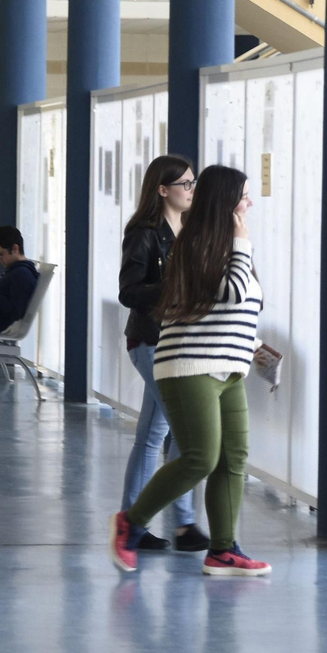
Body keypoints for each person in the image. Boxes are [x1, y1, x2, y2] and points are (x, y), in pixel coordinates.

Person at [110, 165, 271, 577]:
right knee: (199, 457)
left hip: (229, 366)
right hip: (189, 365)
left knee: (232, 459)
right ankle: (131, 522)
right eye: (244, 196)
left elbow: (237, 307)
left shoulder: (228, 246)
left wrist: (254, 347)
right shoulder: (196, 244)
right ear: (225, 202)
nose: (250, 204)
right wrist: (241, 244)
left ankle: (223, 550)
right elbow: (232, 291)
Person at [116, 155, 207, 553]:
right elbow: (129, 291)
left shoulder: (188, 230)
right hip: (150, 341)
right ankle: (183, 524)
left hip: (177, 341)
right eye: (185, 184)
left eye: (193, 182)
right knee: (186, 436)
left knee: (153, 435)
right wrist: (173, 286)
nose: (191, 190)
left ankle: (133, 519)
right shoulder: (144, 233)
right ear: (162, 189)